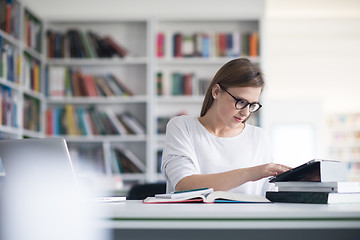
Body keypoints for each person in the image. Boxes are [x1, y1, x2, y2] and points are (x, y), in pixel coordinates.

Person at [161, 58, 291, 196]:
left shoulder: (259, 137)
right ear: (216, 91)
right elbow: (185, 185)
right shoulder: (182, 127)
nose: (246, 112)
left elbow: (270, 196)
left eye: (252, 105)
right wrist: (252, 172)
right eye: (241, 102)